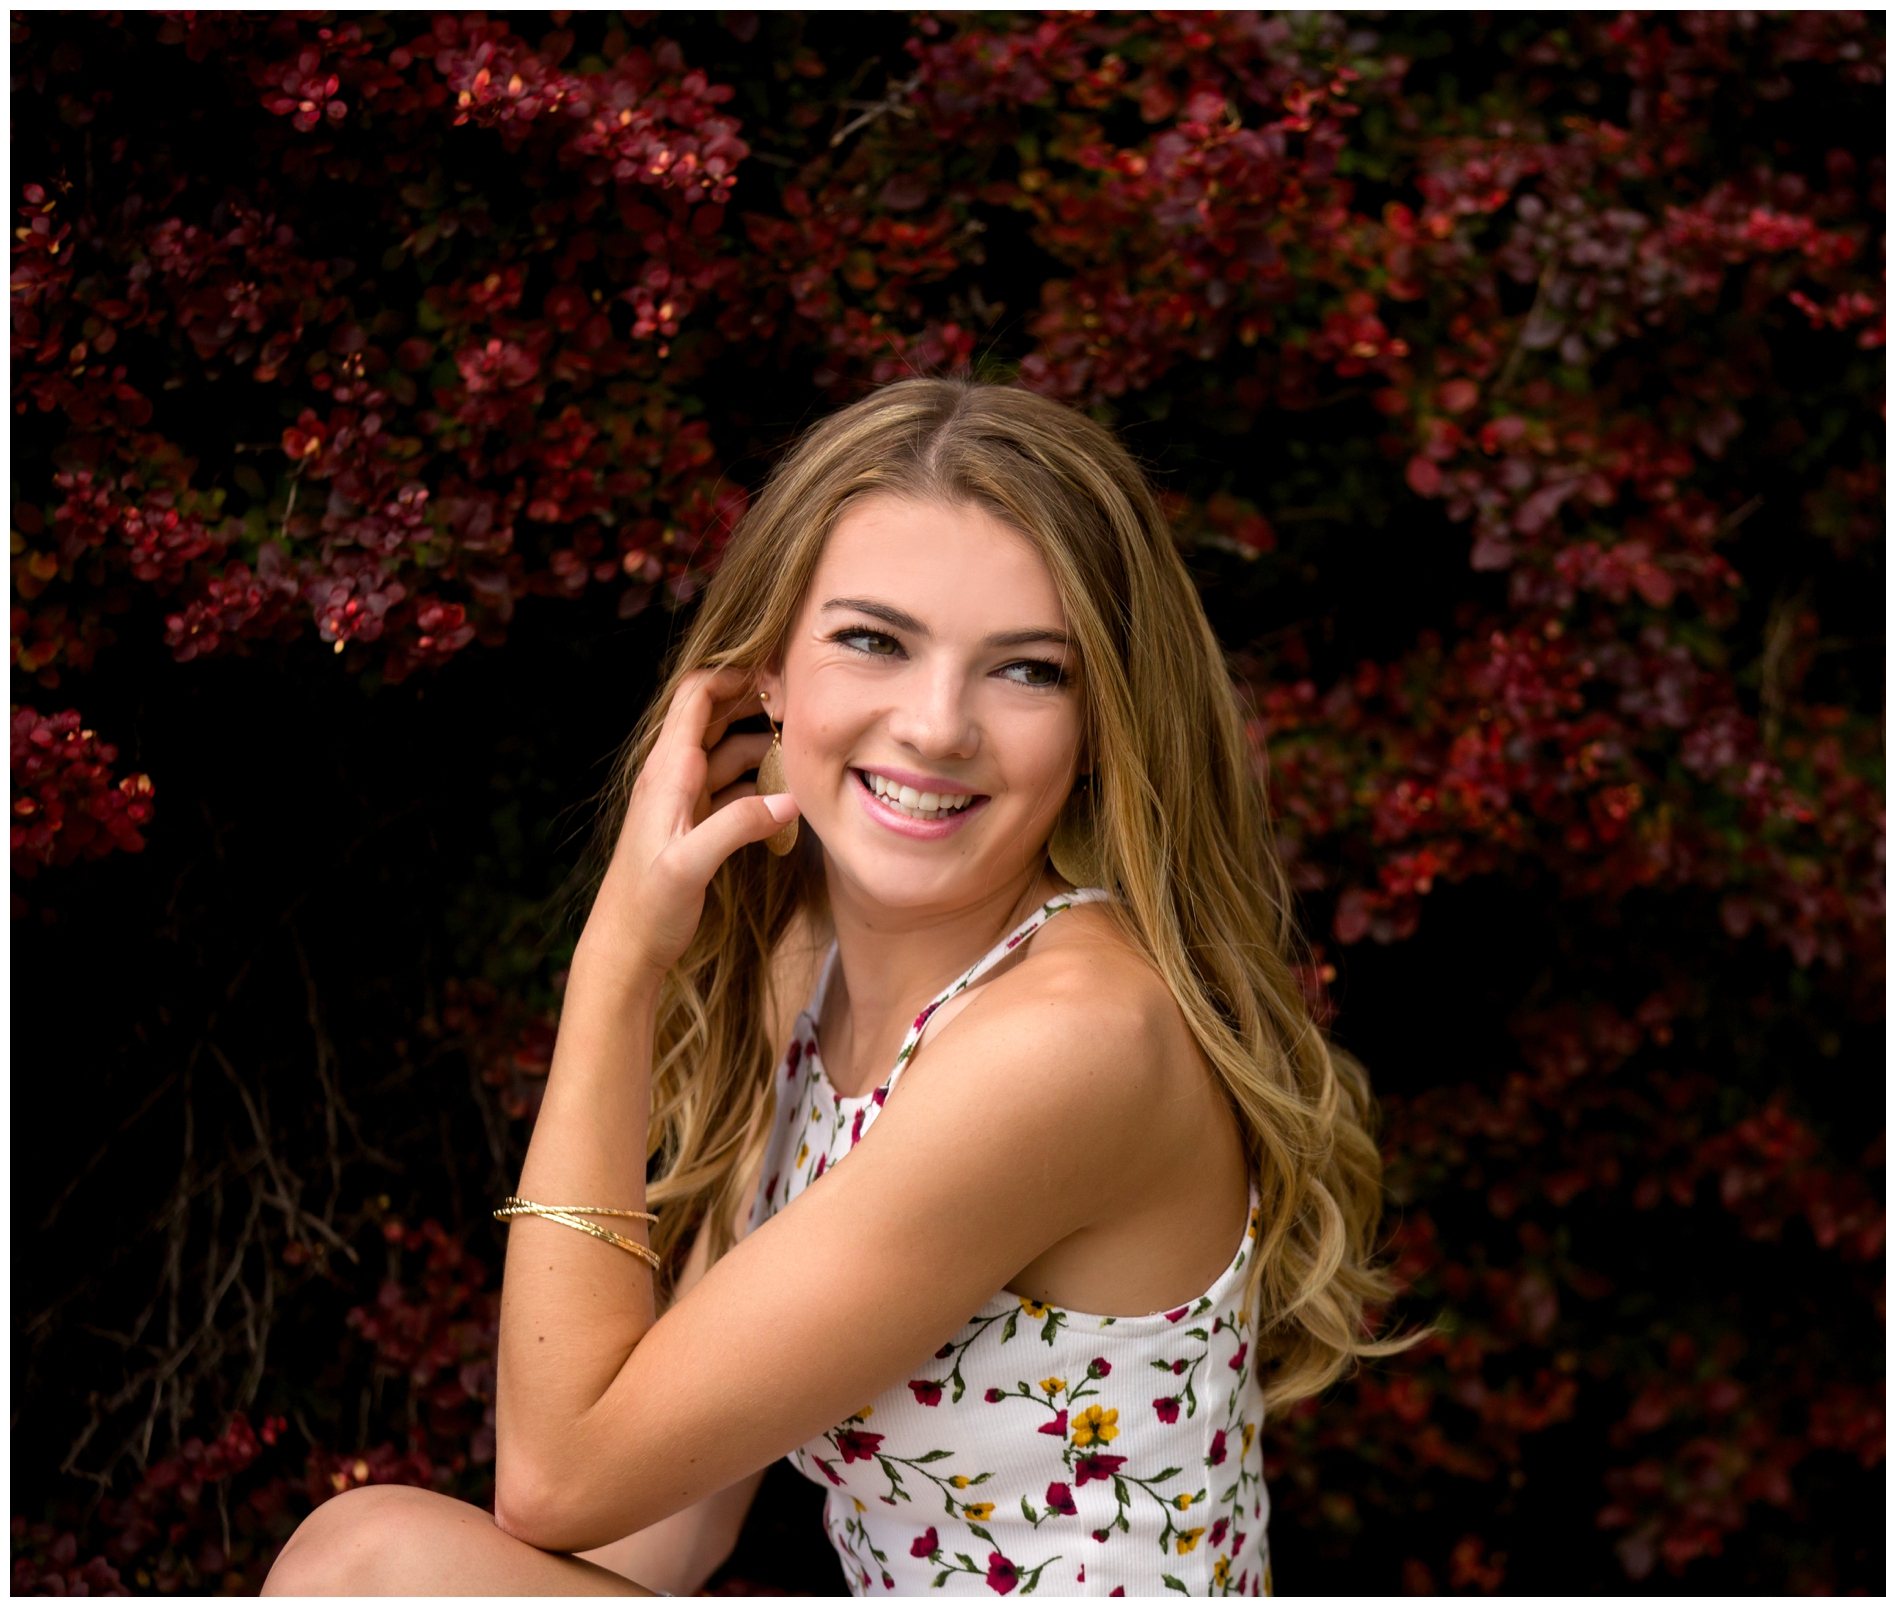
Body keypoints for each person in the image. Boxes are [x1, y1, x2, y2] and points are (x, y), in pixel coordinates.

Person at [263, 378, 1399, 1596]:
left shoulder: (1070, 1043)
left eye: (1027, 671)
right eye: (873, 639)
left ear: (1100, 724)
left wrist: (614, 966)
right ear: (766, 677)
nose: (937, 724)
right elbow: (665, 1523)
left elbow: (558, 1474)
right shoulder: (810, 966)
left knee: (369, 1562)